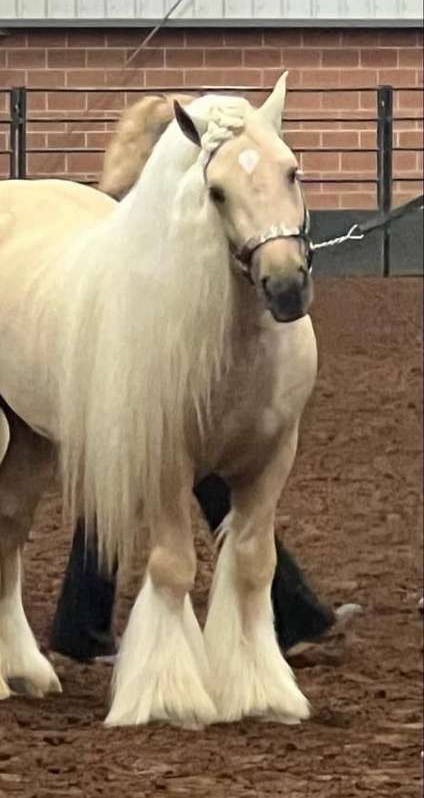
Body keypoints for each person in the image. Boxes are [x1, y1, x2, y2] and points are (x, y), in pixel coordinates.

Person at [50, 94, 359, 663]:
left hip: (186, 384)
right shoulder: (146, 217)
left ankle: (84, 626)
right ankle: (290, 614)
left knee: (181, 492)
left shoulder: (173, 203)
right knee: (150, 492)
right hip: (144, 376)